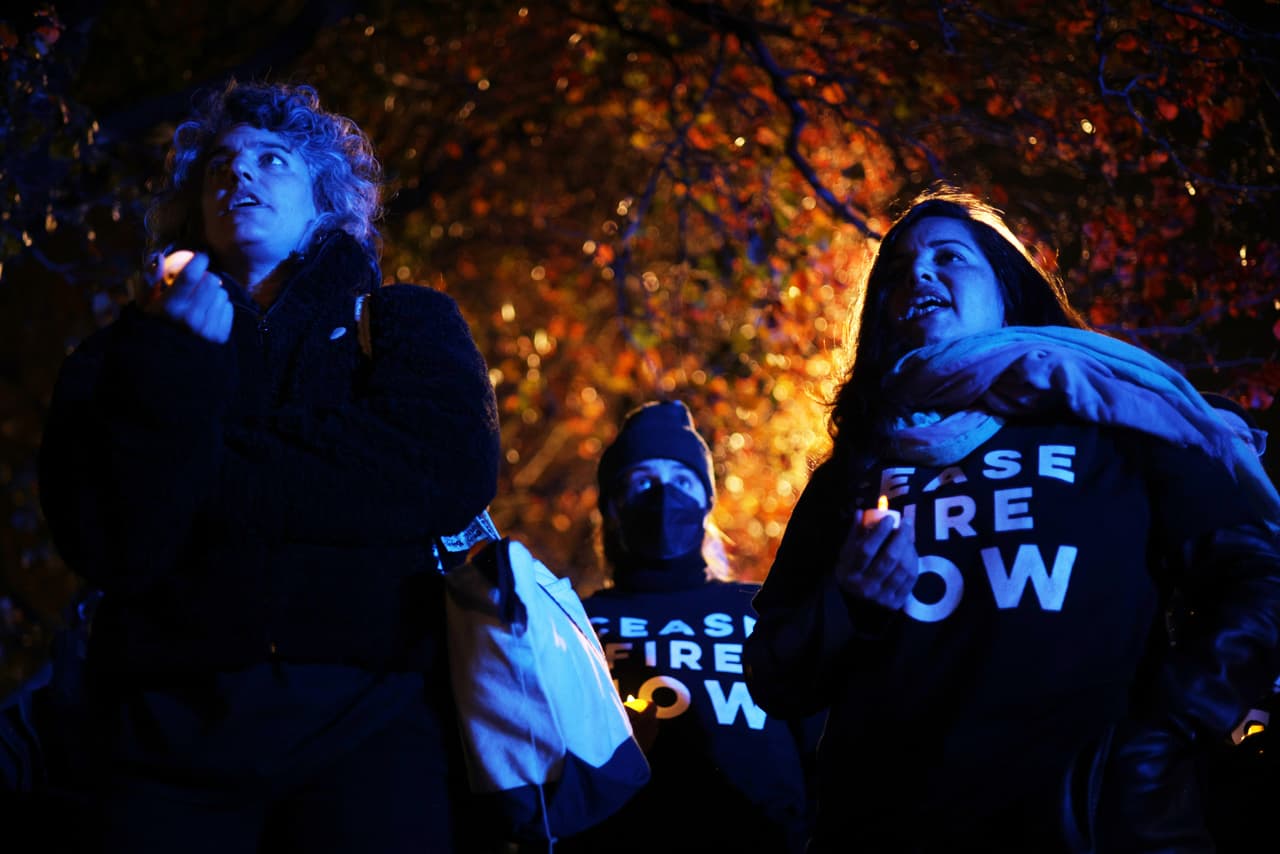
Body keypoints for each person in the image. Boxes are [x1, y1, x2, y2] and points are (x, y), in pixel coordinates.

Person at [742, 184, 1280, 852]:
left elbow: (1259, 580)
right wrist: (847, 605)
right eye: (898, 270)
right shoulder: (852, 471)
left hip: (1090, 827)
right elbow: (773, 677)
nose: (919, 274)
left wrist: (1164, 734)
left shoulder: (1116, 419)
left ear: (1006, 289)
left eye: (948, 256)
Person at [36, 80, 500, 853]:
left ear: (326, 199)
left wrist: (198, 466)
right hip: (163, 736)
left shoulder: (404, 322)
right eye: (219, 167)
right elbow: (113, 542)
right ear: (195, 208)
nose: (239, 174)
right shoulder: (125, 354)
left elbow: (446, 472)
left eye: (272, 159)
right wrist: (174, 366)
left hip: (373, 728)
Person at [558, 400, 820, 854]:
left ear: (705, 503)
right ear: (612, 507)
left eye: (682, 481)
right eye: (642, 481)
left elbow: (822, 740)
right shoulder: (573, 622)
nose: (663, 496)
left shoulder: (764, 606)